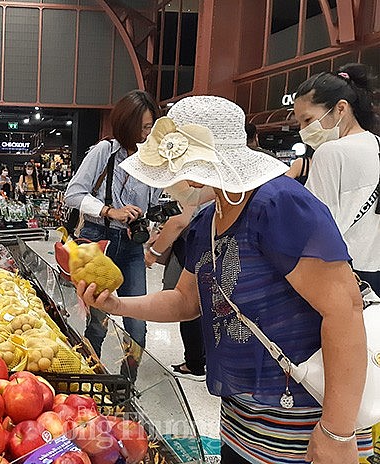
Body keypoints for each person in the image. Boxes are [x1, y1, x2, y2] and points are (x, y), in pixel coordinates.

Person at [78, 95, 371, 463]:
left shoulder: (279, 205)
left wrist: (337, 432)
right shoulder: (208, 221)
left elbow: (345, 310)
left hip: (302, 416)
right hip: (241, 416)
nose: (171, 185)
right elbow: (186, 300)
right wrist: (117, 304)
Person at [64, 90, 161, 353]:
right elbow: (73, 195)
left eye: (151, 126)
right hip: (99, 241)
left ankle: (128, 386)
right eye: (143, 127)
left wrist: (146, 224)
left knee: (138, 321)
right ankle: (91, 376)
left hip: (131, 247)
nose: (147, 134)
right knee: (98, 319)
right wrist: (110, 211)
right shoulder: (104, 151)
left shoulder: (151, 160)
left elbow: (151, 206)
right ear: (126, 124)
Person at [293, 63, 380, 293]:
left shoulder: (330, 152)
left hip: (345, 273)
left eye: (308, 120)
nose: (302, 131)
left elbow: (317, 225)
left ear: (341, 109)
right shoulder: (377, 144)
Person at [144, 187, 215, 381]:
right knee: (205, 306)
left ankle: (194, 365)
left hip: (193, 246)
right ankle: (206, 360)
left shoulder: (194, 183)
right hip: (214, 247)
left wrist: (154, 252)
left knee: (187, 304)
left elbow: (179, 221)